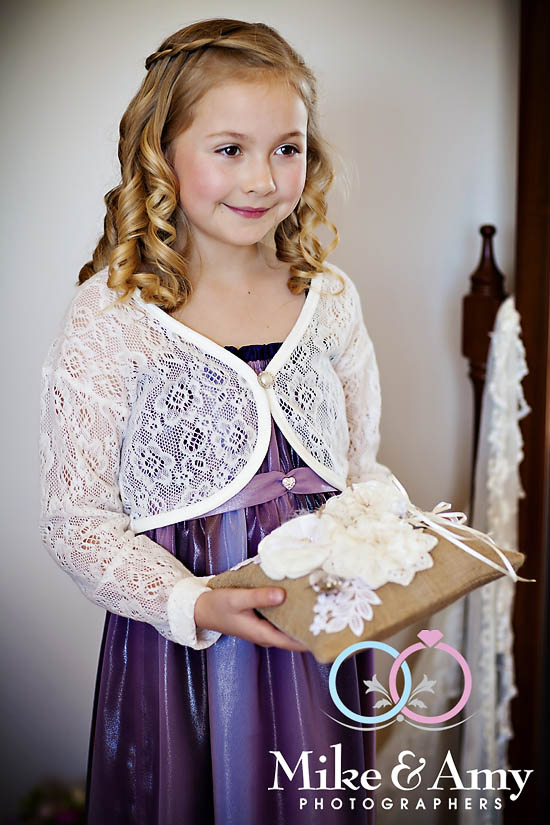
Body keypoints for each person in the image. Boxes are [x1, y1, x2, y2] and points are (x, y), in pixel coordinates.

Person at [39, 18, 391, 825]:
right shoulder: (112, 314)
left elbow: (360, 471)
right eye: (230, 148)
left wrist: (398, 551)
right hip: (187, 661)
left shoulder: (330, 298)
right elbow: (77, 522)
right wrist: (194, 604)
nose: (262, 179)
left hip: (317, 629)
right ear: (162, 153)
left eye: (287, 148)